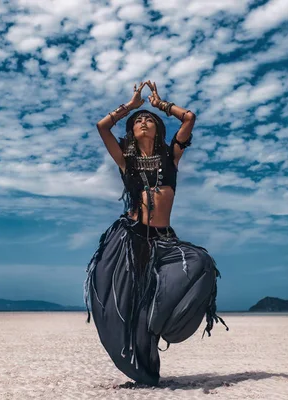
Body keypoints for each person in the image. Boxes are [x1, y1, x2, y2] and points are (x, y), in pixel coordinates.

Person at [84, 80, 228, 386]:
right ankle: (146, 374)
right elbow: (102, 126)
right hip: (131, 239)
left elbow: (188, 118)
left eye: (149, 119)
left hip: (164, 239)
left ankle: (165, 325)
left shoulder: (170, 157)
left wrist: (160, 103)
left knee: (201, 263)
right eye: (138, 121)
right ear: (132, 131)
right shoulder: (126, 160)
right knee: (132, 306)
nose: (143, 121)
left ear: (159, 129)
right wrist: (131, 106)